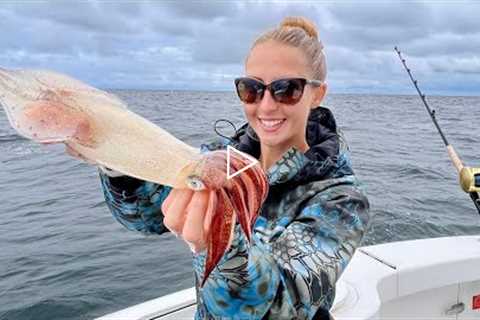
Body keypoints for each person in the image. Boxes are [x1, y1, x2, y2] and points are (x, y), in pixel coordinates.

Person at [97, 17, 370, 320]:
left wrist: (220, 244)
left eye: (287, 89)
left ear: (317, 94)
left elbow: (281, 307)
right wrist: (112, 152)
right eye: (251, 89)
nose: (266, 106)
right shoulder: (217, 158)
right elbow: (145, 217)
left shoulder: (342, 201)